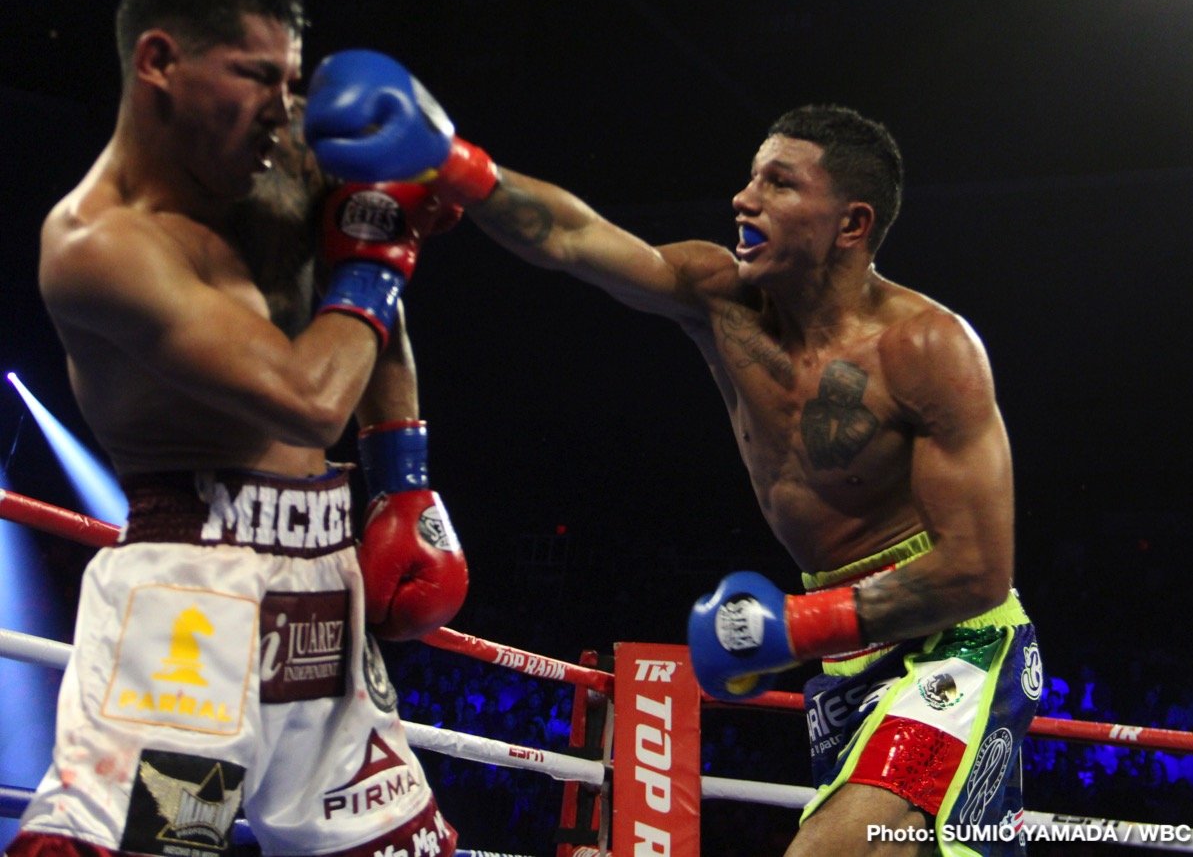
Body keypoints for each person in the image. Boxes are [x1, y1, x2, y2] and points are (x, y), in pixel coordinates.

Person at [300, 50, 1042, 855]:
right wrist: (454, 163)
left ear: (851, 225)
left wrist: (796, 625)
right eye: (752, 177)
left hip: (957, 645)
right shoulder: (719, 298)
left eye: (780, 184)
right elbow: (574, 237)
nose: (743, 198)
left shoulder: (926, 349)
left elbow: (978, 569)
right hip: (846, 654)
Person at [6, 0, 466, 857]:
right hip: (195, 603)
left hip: (326, 579)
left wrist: (404, 480)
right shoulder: (98, 243)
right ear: (159, 63)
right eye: (257, 76)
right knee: (156, 846)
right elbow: (309, 394)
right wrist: (383, 251)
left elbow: (373, 315)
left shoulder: (286, 157)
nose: (284, 105)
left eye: (292, 78)